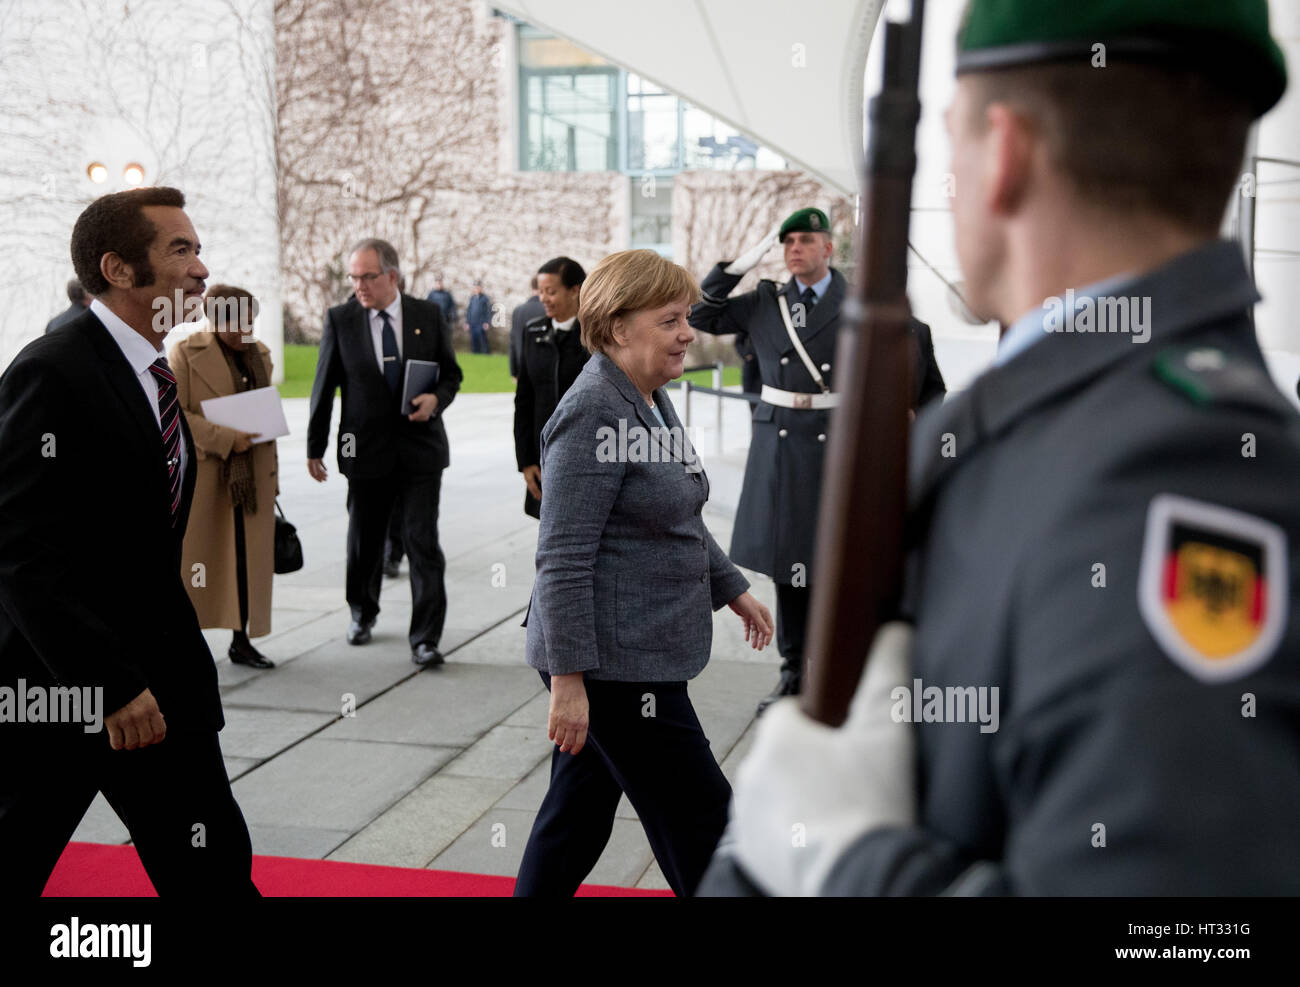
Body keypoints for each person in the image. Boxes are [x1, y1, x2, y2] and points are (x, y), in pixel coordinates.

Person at [705, 0, 1300, 896]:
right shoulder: (1029, 413)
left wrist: (850, 861)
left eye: (953, 143)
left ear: (1006, 154)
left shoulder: (1190, 488)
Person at [0, 186, 258, 895]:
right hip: (65, 688)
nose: (201, 269)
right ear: (117, 269)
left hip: (162, 683)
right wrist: (109, 684)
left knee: (213, 871)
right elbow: (21, 552)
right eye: (181, 250)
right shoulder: (52, 369)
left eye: (199, 248)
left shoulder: (154, 369)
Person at [514, 249, 775, 898]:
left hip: (630, 654)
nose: (689, 332)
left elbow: (677, 508)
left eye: (686, 317)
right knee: (704, 823)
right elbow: (563, 556)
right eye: (671, 320)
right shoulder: (592, 410)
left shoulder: (648, 396)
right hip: (613, 666)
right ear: (617, 326)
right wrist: (570, 682)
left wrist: (731, 586)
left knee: (574, 817)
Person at [689, 207, 945, 715]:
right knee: (791, 566)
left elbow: (914, 353)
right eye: (787, 243)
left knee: (846, 560)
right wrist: (737, 264)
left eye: (806, 239)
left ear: (829, 247)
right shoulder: (766, 301)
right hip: (782, 448)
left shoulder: (860, 302)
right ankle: (794, 670)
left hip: (842, 444)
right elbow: (700, 313)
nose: (794, 249)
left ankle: (853, 666)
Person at [307, 238, 463, 667]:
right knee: (364, 540)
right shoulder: (341, 319)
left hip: (420, 451)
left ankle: (426, 638)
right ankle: (362, 611)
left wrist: (436, 399)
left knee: (422, 542)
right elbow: (324, 386)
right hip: (364, 451)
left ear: (391, 276)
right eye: (354, 277)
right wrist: (315, 446)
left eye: (367, 277)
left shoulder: (427, 315)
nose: (358, 285)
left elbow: (451, 373)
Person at [169, 284, 280, 670]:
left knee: (247, 561)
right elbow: (177, 414)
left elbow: (265, 412)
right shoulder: (184, 354)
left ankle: (242, 640)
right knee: (200, 565)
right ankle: (185, 643)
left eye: (249, 321)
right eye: (234, 322)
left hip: (253, 477)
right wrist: (226, 439)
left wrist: (274, 478)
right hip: (209, 474)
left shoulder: (260, 354)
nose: (243, 331)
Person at [514, 256, 590, 519]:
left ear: (575, 290)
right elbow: (524, 399)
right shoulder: (533, 332)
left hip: (588, 456)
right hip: (545, 456)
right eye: (540, 291)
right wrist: (525, 460)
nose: (543, 298)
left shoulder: (595, 336)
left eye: (551, 291)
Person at [509, 274, 546, 381]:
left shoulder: (518, 310)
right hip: (545, 365)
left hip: (522, 365)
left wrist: (514, 371)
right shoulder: (548, 309)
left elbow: (513, 341)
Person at [465, 280, 492, 354]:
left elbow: (488, 311)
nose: (476, 289)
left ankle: (485, 354)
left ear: (481, 288)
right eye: (475, 287)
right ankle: (475, 355)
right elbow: (469, 311)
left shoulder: (485, 298)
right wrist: (467, 322)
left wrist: (487, 322)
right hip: (472, 323)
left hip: (481, 323)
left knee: (482, 341)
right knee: (473, 341)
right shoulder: (472, 298)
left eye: (478, 287)